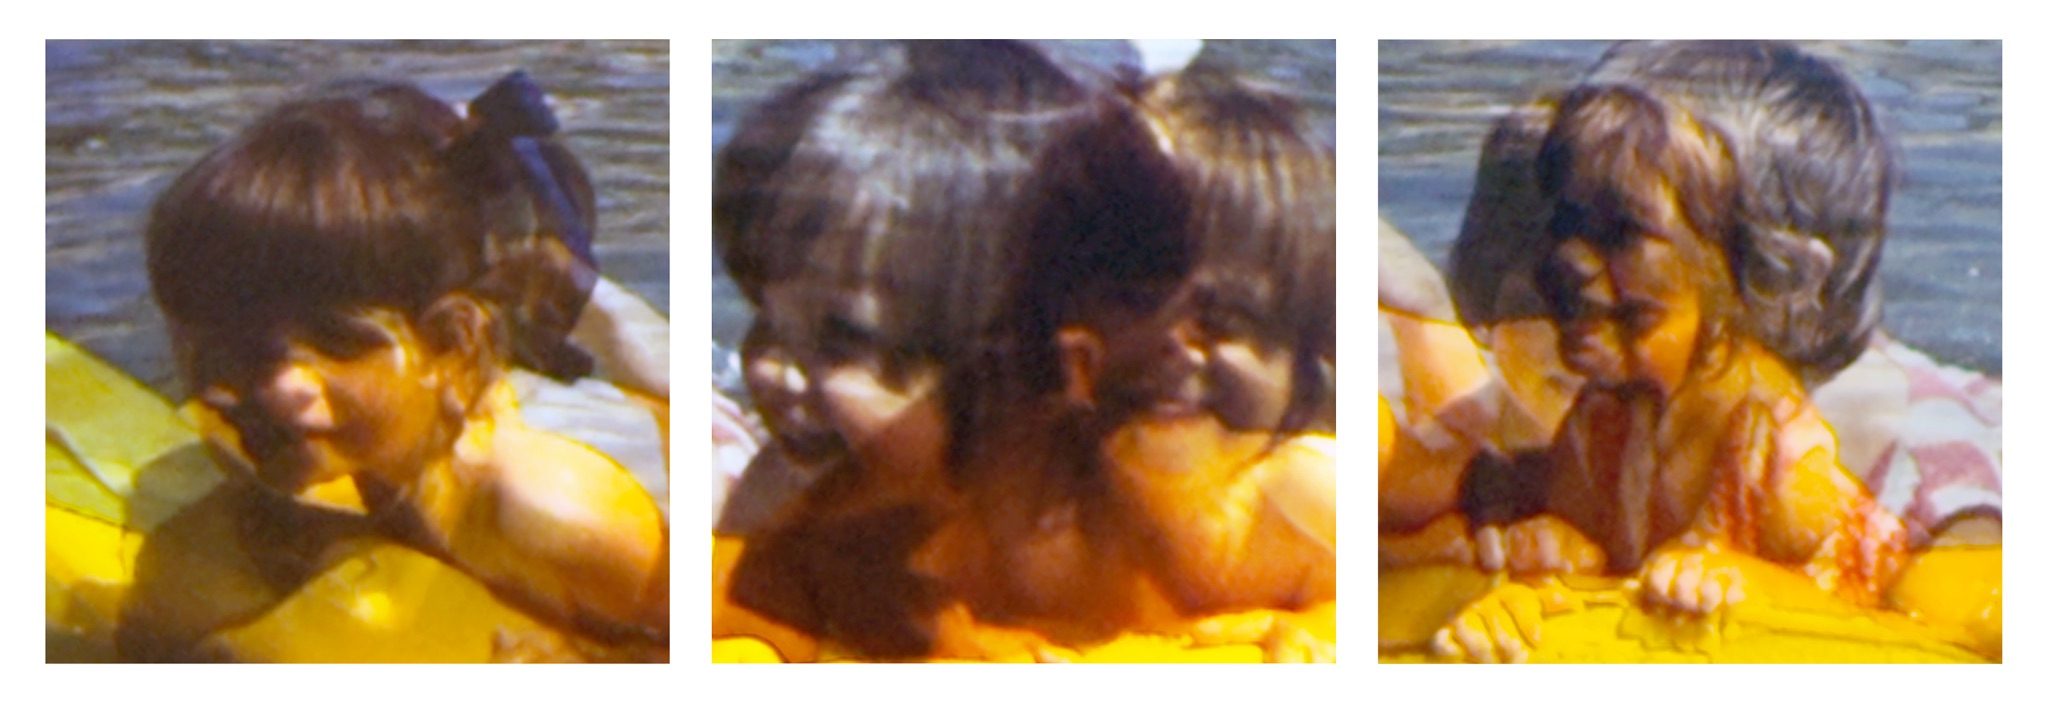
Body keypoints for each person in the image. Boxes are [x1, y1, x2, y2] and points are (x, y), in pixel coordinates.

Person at [121, 75, 666, 661]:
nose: (272, 390)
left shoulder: (553, 510)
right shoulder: (247, 430)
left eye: (337, 342)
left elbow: (742, 652)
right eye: (223, 349)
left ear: (450, 343)